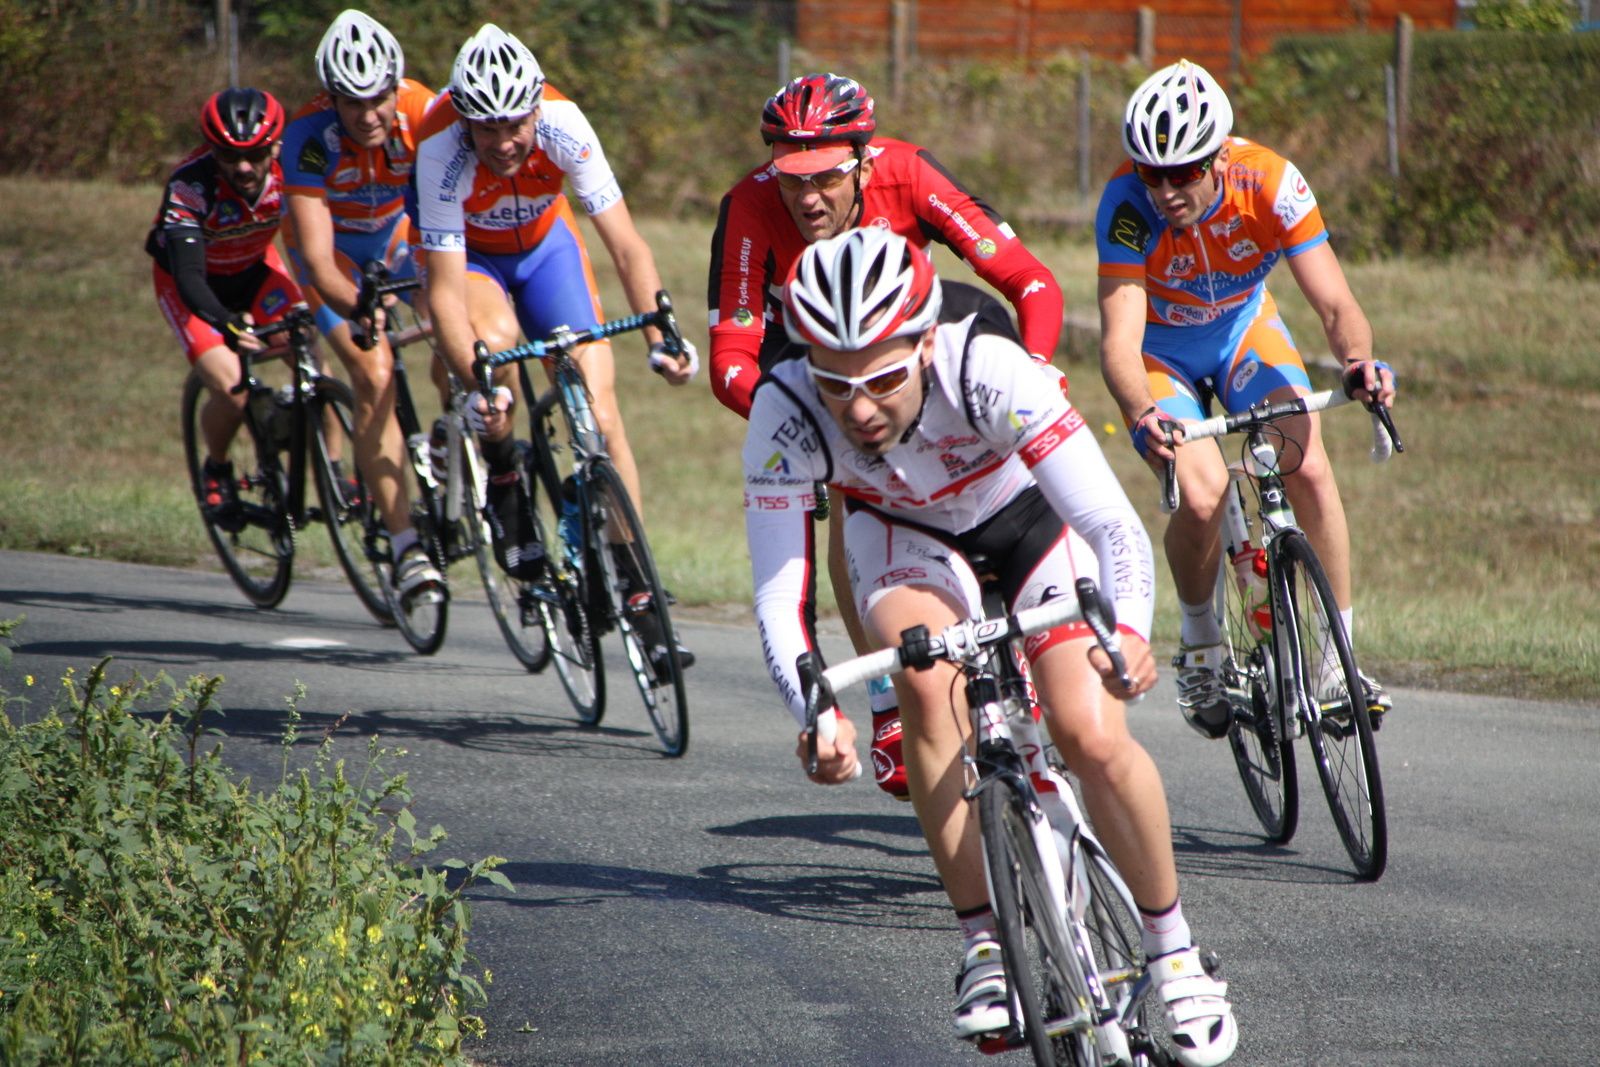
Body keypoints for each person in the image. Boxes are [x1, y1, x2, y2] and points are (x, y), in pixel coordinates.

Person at [744, 227, 1237, 1065]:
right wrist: (816, 711)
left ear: (925, 340)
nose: (859, 407)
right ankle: (983, 942)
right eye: (836, 382)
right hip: (904, 541)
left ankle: (1174, 948)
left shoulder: (986, 365)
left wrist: (1124, 633)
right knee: (926, 682)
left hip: (1029, 521)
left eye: (884, 378)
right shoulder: (785, 412)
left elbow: (1109, 522)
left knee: (1089, 731)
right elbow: (778, 592)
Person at [709, 71, 1067, 801]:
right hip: (819, 366)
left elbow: (1029, 281)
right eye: (790, 178)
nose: (807, 198)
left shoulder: (907, 172)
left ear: (865, 162)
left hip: (919, 359)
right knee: (851, 494)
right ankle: (885, 701)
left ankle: (1020, 629)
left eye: (827, 177)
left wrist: (1034, 368)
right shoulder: (749, 204)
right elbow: (729, 357)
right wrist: (809, 426)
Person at [1095, 59, 1397, 738]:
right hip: (1162, 353)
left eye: (1183, 173)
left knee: (1308, 463)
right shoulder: (1124, 206)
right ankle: (1201, 641)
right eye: (1152, 172)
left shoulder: (1271, 181)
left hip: (1241, 332)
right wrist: (1143, 415)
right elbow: (1119, 339)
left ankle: (1333, 664)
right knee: (1201, 495)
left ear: (1218, 157)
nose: (1166, 189)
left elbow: (1334, 300)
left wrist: (1358, 362)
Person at [412, 23, 698, 673]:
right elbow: (448, 294)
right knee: (496, 347)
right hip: (473, 261)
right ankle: (502, 468)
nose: (507, 142)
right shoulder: (439, 145)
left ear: (538, 106)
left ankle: (636, 587)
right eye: (488, 129)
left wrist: (663, 336)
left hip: (546, 249)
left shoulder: (566, 123)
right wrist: (478, 384)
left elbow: (626, 246)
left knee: (600, 410)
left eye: (517, 124)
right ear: (464, 120)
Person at [280, 9, 442, 605]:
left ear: (396, 87)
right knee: (373, 373)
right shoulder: (310, 138)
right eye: (352, 103)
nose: (369, 115)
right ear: (331, 98)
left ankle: (451, 441)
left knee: (456, 326)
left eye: (377, 99)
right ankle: (407, 550)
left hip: (397, 238)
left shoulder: (424, 113)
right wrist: (359, 309)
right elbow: (320, 264)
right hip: (333, 256)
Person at [148, 87, 301, 532]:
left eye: (254, 154)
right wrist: (225, 322)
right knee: (232, 389)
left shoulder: (294, 168)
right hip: (191, 285)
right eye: (228, 156)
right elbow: (191, 277)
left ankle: (339, 475)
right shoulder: (190, 186)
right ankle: (217, 466)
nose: (243, 168)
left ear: (274, 144)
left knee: (306, 350)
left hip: (255, 269)